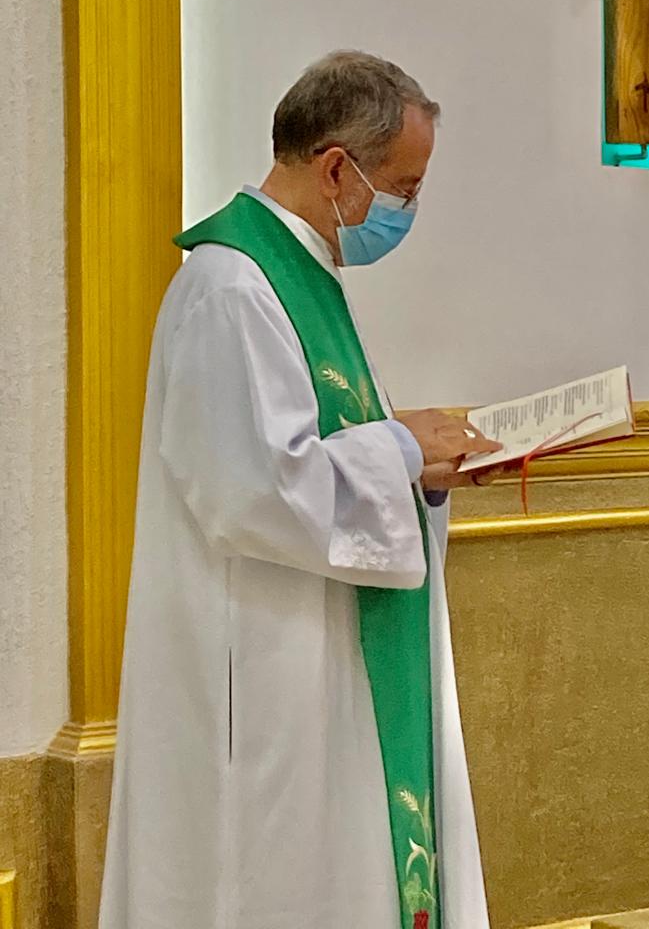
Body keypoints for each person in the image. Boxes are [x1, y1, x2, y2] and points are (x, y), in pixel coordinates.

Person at [99, 50, 510, 929]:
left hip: (319, 658)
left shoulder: (299, 277)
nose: (406, 210)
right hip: (263, 674)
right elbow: (253, 490)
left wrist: (423, 471)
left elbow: (324, 453)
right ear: (335, 169)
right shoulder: (231, 289)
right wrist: (401, 448)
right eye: (403, 187)